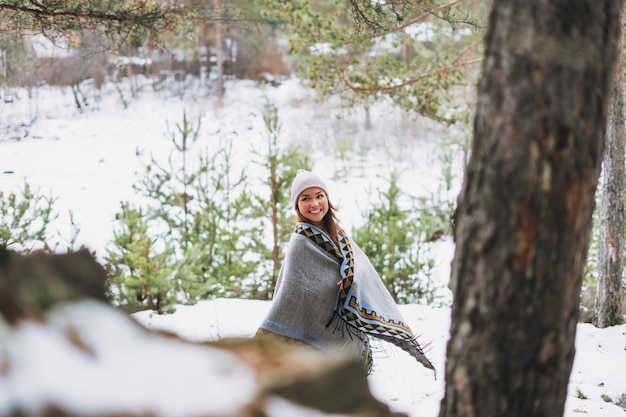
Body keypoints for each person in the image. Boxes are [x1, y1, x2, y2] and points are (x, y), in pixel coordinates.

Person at [256, 169, 434, 375]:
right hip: (320, 323)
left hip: (345, 322)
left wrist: (350, 279)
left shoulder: (338, 234)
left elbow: (362, 267)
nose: (314, 204)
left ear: (327, 199)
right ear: (297, 205)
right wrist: (332, 286)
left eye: (319, 196)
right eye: (306, 198)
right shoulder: (300, 242)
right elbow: (296, 292)